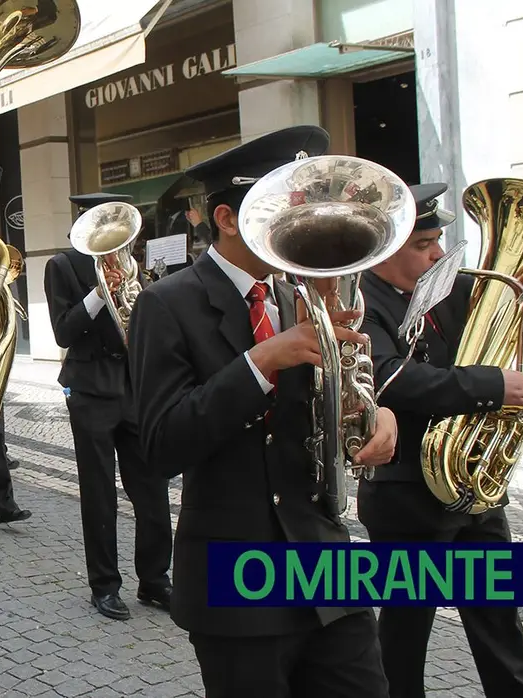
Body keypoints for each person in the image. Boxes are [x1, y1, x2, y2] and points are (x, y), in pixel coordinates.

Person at [127, 125, 400, 698]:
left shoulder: (297, 294)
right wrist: (259, 363)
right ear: (227, 218)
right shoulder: (166, 302)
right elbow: (159, 447)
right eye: (282, 209)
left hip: (325, 562)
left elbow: (329, 415)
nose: (299, 224)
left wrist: (373, 413)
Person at [359, 182, 523, 698]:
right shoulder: (358, 302)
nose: (439, 253)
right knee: (405, 634)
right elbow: (387, 377)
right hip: (405, 492)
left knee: (500, 625)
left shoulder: (449, 287)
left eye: (437, 241)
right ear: (387, 247)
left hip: (472, 484)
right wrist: (493, 386)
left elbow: (511, 308)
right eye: (424, 245)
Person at [43, 192, 173, 621]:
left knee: (152, 487)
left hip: (135, 388)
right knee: (98, 494)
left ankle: (155, 579)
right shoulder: (62, 266)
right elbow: (63, 332)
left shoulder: (134, 266)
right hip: (90, 388)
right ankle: (105, 585)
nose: (120, 245)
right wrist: (100, 294)